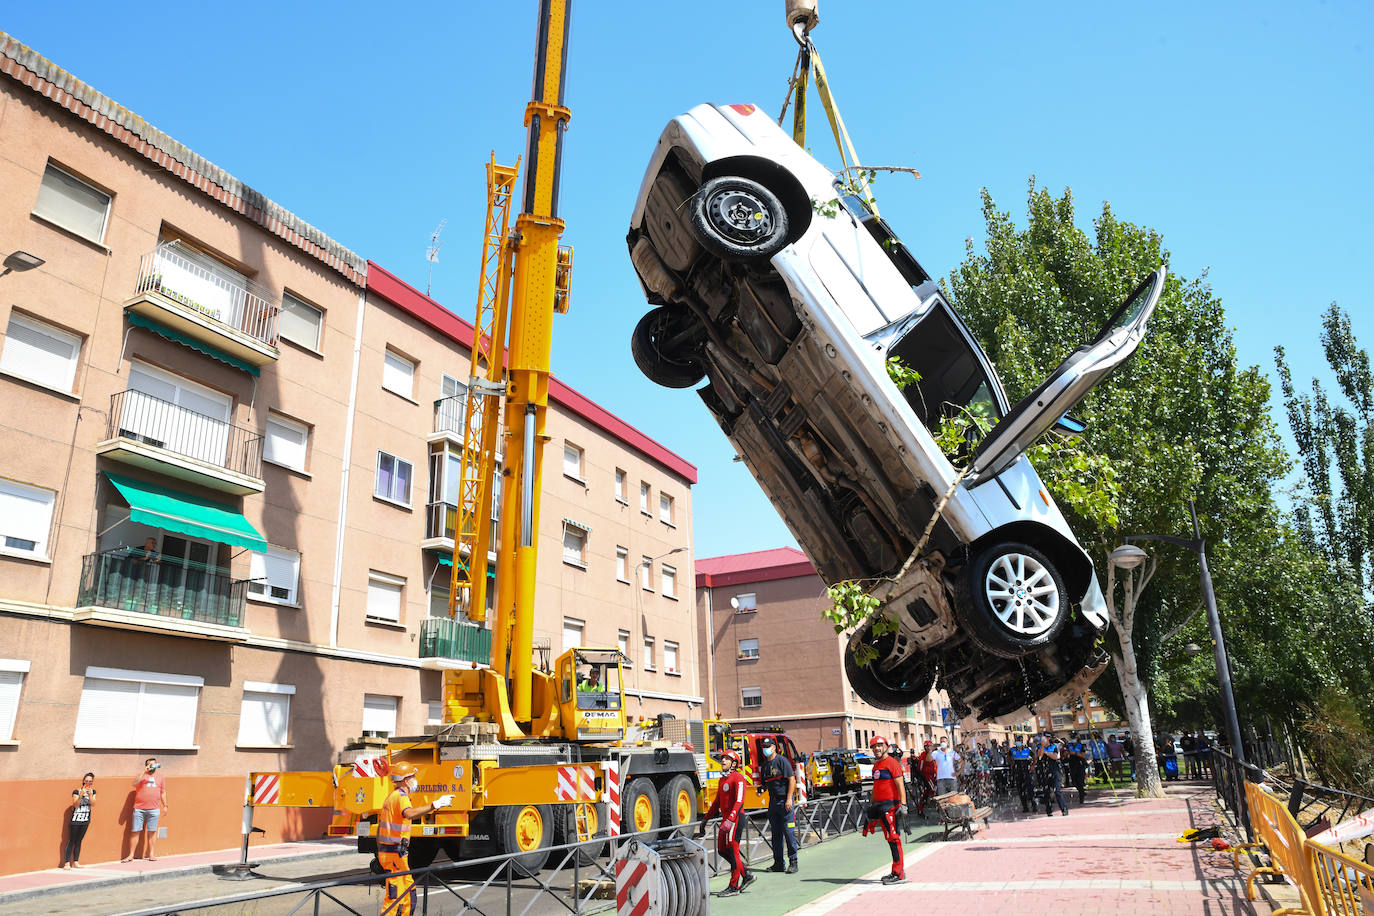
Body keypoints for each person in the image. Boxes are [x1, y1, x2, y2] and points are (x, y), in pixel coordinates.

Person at [377, 763, 454, 916]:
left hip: (394, 853)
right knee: (395, 896)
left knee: (408, 893)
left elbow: (381, 828)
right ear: (406, 780)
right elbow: (410, 814)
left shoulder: (393, 797)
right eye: (413, 776)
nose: (415, 780)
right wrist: (435, 804)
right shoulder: (400, 797)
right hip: (394, 854)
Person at [702, 749, 754, 896]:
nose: (723, 761)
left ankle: (734, 886)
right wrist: (705, 818)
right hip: (726, 820)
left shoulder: (738, 778)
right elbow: (717, 802)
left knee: (732, 850)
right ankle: (747, 875)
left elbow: (739, 800)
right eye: (722, 758)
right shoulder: (722, 780)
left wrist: (731, 818)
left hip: (736, 818)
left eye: (726, 758)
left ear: (734, 763)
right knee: (722, 850)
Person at [860, 735, 906, 885]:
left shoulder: (892, 763)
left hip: (891, 806)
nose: (877, 749)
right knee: (889, 838)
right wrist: (871, 805)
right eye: (874, 747)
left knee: (894, 838)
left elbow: (900, 784)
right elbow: (876, 788)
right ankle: (896, 871)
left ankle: (898, 873)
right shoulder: (876, 766)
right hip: (880, 807)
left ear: (886, 746)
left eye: (879, 745)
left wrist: (903, 805)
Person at [758, 737, 798, 874]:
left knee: (789, 832)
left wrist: (789, 799)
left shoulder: (782, 761)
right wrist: (761, 790)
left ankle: (793, 862)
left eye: (768, 746)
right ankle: (778, 863)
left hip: (785, 802)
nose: (765, 748)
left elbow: (792, 780)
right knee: (776, 834)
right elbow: (764, 784)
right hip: (773, 803)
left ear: (774, 747)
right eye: (764, 746)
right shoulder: (764, 766)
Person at [123, 758, 167, 862]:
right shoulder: (141, 775)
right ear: (146, 765)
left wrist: (165, 805)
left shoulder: (161, 777)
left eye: (153, 764)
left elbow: (163, 792)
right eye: (149, 764)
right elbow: (134, 784)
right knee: (135, 831)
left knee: (152, 831)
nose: (151, 766)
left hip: (154, 809)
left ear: (156, 765)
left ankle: (151, 854)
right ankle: (131, 855)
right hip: (139, 809)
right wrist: (144, 772)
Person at [63, 772, 96, 869]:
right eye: (86, 781)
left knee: (79, 841)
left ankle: (76, 862)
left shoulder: (93, 792)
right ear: (83, 781)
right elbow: (75, 805)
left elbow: (93, 804)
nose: (88, 783)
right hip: (75, 819)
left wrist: (90, 795)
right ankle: (67, 863)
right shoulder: (76, 792)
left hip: (85, 819)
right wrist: (81, 795)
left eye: (90, 781)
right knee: (71, 840)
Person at [1035, 735, 1068, 817]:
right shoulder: (1039, 746)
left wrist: (1046, 752)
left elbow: (1055, 757)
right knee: (1046, 792)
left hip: (1054, 771)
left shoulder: (1054, 747)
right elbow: (1039, 757)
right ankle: (1049, 810)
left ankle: (1064, 809)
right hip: (1044, 772)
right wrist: (1042, 747)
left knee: (1057, 791)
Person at [1009, 735, 1036, 812]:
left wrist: (1033, 765)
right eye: (1017, 741)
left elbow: (1034, 756)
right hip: (1018, 772)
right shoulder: (1012, 750)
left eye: (1019, 741)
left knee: (1030, 789)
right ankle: (1025, 807)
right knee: (1021, 790)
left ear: (1021, 741)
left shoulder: (1027, 750)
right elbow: (1008, 756)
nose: (1018, 742)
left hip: (1026, 772)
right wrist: (1011, 763)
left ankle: (1033, 805)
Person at [1065, 732, 1088, 804]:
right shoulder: (1069, 745)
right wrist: (1067, 753)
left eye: (1074, 738)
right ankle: (1081, 791)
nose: (1073, 740)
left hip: (1080, 764)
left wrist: (1075, 753)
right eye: (1072, 738)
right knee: (1074, 781)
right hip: (1072, 764)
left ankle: (1082, 797)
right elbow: (1065, 754)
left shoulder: (1081, 746)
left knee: (1080, 781)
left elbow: (1083, 755)